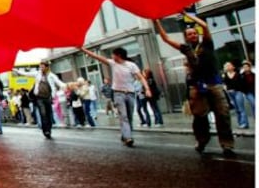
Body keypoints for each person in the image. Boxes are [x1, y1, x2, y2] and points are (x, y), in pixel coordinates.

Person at [154, 16, 235, 155]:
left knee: (223, 115)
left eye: (194, 33)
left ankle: (227, 145)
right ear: (186, 37)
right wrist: (156, 21)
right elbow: (165, 38)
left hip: (214, 84)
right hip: (197, 87)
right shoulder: (185, 48)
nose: (193, 35)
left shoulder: (207, 44)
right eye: (189, 34)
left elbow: (204, 25)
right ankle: (202, 140)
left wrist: (186, 13)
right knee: (199, 116)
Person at [80, 46, 150, 147]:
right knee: (123, 116)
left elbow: (141, 77)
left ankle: (125, 135)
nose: (111, 56)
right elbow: (97, 57)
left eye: (113, 54)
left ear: (119, 55)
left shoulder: (131, 65)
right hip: (118, 94)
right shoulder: (113, 63)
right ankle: (128, 137)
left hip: (130, 94)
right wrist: (83, 49)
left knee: (129, 116)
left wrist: (147, 89)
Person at [32, 61, 64, 139]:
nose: (41, 68)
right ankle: (45, 131)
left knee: (49, 115)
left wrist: (68, 86)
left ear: (47, 67)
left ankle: (49, 130)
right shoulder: (37, 74)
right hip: (39, 98)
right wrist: (14, 70)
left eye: (42, 67)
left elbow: (59, 83)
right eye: (40, 67)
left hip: (48, 98)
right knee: (43, 114)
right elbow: (26, 74)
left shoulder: (51, 75)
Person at [223, 62, 249, 129]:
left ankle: (244, 123)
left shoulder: (237, 74)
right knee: (236, 109)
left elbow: (241, 84)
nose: (228, 67)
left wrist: (239, 90)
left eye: (229, 65)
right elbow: (225, 84)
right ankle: (240, 123)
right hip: (230, 93)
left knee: (241, 108)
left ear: (233, 67)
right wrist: (227, 89)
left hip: (237, 92)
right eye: (227, 66)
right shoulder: (225, 75)